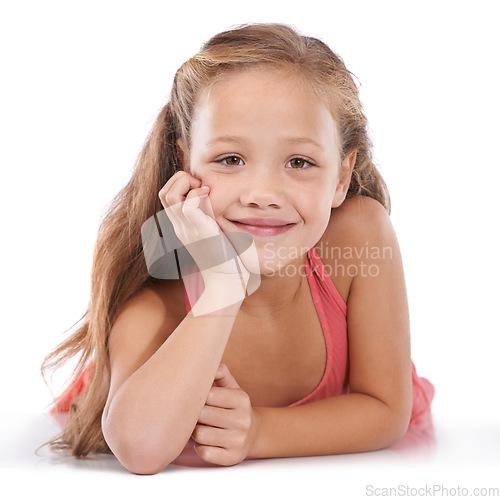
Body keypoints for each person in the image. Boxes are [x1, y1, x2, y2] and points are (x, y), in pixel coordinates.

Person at [40, 22, 434, 474]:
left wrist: (260, 433)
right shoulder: (155, 306)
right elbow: (141, 449)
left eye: (299, 162)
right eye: (231, 160)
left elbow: (385, 409)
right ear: (185, 164)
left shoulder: (360, 236)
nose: (262, 193)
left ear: (342, 177)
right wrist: (223, 287)